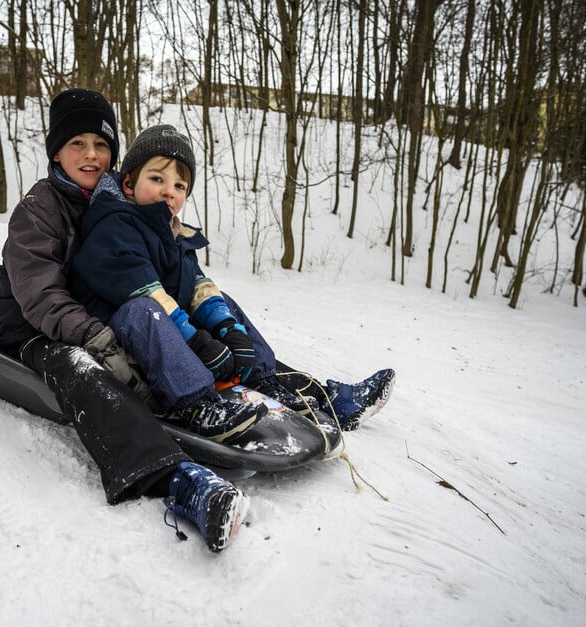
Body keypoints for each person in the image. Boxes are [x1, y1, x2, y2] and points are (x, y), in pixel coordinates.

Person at [0, 89, 248, 552]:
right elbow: (42, 297)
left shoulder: (118, 199)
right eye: (77, 144)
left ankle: (286, 387)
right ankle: (177, 480)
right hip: (35, 327)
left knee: (205, 312)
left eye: (101, 145)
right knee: (79, 367)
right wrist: (99, 339)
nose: (91, 155)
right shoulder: (39, 209)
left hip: (101, 317)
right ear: (56, 152)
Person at [70, 124, 395, 437]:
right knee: (142, 310)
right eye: (157, 179)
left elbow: (196, 285)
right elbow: (143, 290)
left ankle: (265, 380)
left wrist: (228, 328)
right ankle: (197, 405)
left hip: (164, 331)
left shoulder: (172, 232)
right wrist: (195, 340)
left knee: (220, 299)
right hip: (123, 340)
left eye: (180, 186)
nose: (169, 191)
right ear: (129, 183)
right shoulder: (114, 225)